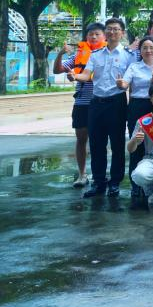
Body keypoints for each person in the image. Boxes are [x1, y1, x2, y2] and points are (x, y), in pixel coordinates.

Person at [71, 17, 134, 198]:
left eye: (116, 29)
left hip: (117, 102)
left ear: (122, 33)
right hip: (96, 103)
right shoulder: (96, 54)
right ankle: (99, 182)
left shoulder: (129, 55)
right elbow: (86, 75)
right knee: (96, 144)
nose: (112, 32)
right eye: (109, 29)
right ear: (105, 33)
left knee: (117, 144)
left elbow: (132, 80)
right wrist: (74, 76)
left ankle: (114, 183)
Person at [53, 22, 105, 187]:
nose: (94, 37)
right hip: (82, 102)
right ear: (86, 37)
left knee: (100, 140)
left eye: (97, 34)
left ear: (104, 36)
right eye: (91, 34)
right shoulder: (79, 54)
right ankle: (82, 174)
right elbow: (57, 70)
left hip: (101, 101)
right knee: (81, 138)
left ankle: (99, 175)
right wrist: (60, 54)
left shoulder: (108, 54)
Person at [118, 36, 153, 203]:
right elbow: (125, 84)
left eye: (151, 47)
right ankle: (136, 185)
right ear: (140, 51)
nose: (148, 50)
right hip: (138, 106)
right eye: (144, 48)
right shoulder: (134, 66)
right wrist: (121, 84)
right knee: (137, 143)